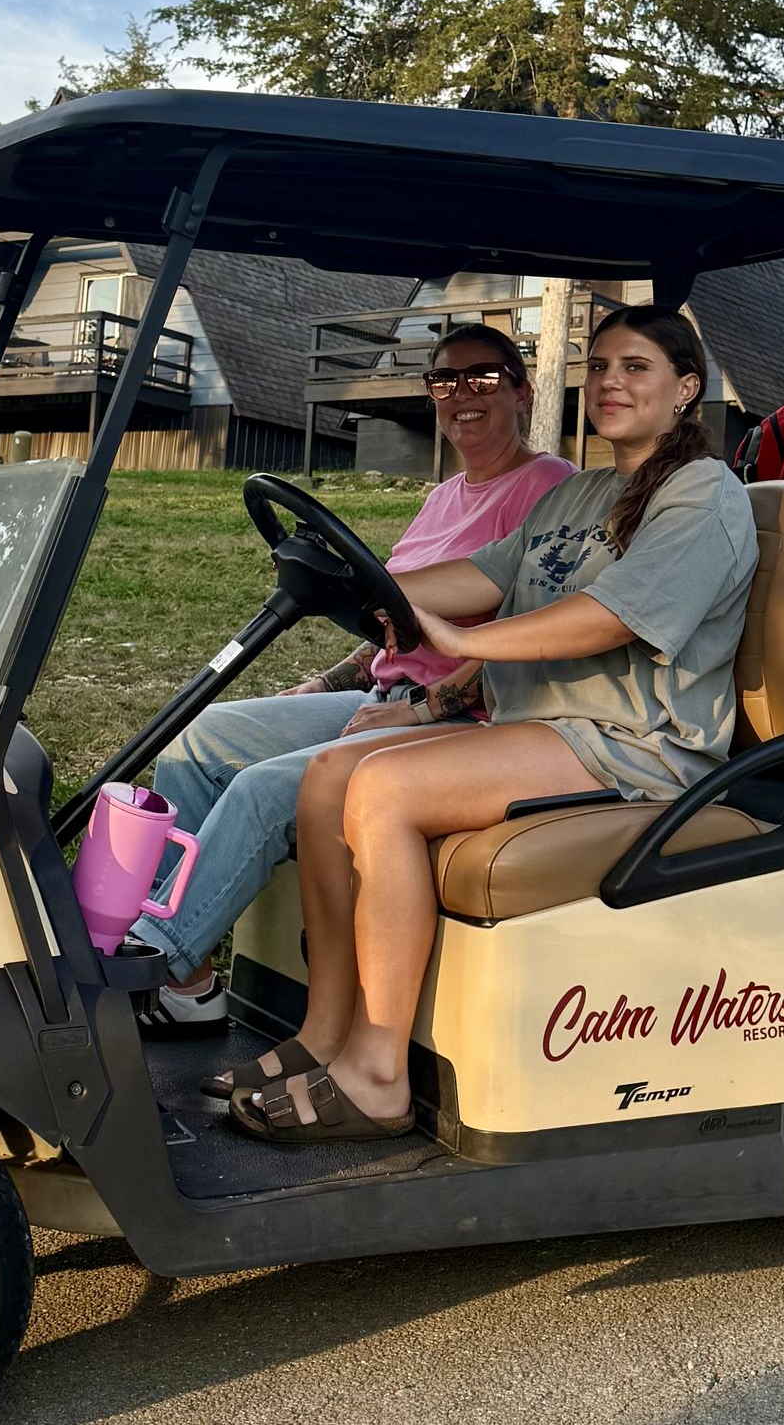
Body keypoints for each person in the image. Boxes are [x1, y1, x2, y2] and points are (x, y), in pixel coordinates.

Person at [227, 305, 759, 1141]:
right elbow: (478, 574)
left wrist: (467, 640)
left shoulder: (704, 496)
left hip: (637, 743)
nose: (612, 381)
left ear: (686, 387)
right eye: (603, 365)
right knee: (332, 773)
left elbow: (608, 618)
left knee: (385, 788)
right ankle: (324, 1030)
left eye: (638, 367)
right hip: (549, 728)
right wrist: (359, 585)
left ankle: (377, 1073)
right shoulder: (585, 491)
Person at [133, 324, 574, 1029]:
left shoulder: (550, 489)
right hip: (386, 695)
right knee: (202, 734)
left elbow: (531, 644)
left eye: (483, 378)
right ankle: (187, 980)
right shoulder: (442, 498)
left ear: (521, 391)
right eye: (445, 381)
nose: (462, 394)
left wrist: (423, 706)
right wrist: (326, 679)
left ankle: (152, 961)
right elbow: (391, 623)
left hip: (468, 721)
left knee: (267, 788)